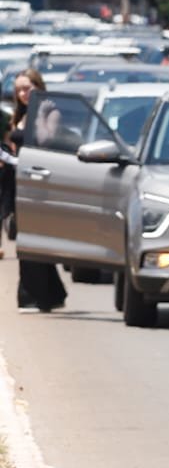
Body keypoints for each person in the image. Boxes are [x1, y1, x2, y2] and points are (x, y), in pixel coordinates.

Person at [5, 70, 67, 312]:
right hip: (19, 182)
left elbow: (44, 140)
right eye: (19, 89)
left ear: (39, 87)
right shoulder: (18, 115)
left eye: (28, 88)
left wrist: (40, 112)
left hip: (40, 184)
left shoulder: (50, 112)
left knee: (32, 240)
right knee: (25, 238)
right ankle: (51, 293)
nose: (23, 94)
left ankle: (34, 295)